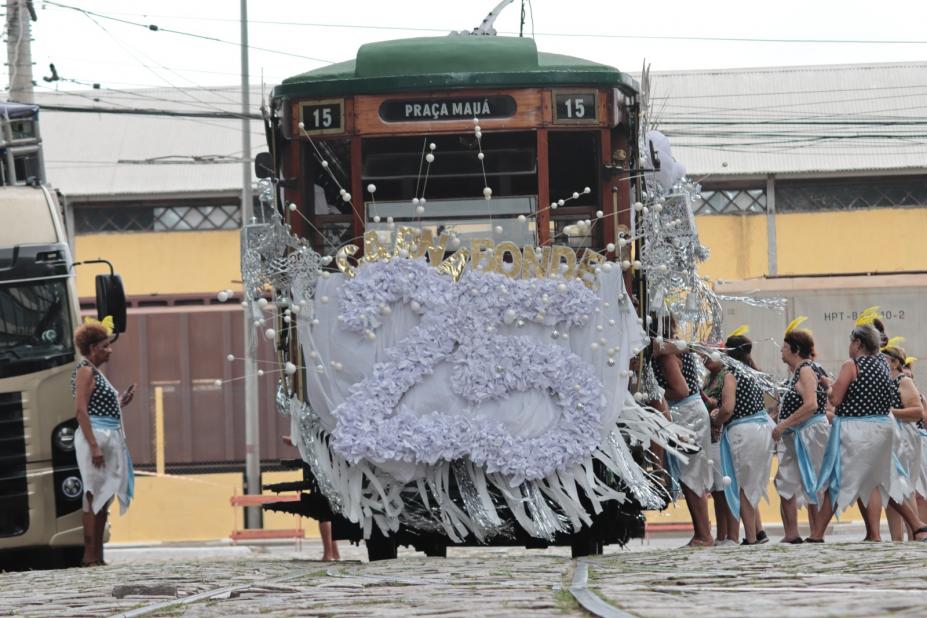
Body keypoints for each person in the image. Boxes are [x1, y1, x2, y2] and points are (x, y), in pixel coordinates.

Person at [808, 320, 927, 543]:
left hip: (856, 431)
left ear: (858, 343)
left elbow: (835, 398)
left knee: (838, 480)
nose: (849, 346)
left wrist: (827, 386)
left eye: (851, 342)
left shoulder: (851, 365)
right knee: (883, 480)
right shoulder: (883, 364)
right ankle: (916, 525)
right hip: (882, 428)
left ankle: (816, 534)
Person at [71, 318, 136, 567]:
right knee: (92, 495)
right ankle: (90, 556)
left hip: (105, 435)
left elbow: (97, 406)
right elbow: (81, 412)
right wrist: (94, 446)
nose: (109, 350)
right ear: (93, 348)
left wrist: (119, 402)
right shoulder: (85, 371)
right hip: (95, 437)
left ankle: (98, 556)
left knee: (103, 496)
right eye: (105, 345)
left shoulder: (94, 372)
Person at [650, 316, 714, 547]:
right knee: (691, 474)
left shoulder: (666, 353)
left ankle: (704, 534)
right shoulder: (675, 346)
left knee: (691, 475)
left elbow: (681, 389)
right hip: (690, 412)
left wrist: (652, 395)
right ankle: (702, 532)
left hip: (686, 414)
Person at [711, 327, 775, 545]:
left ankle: (749, 538)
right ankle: (757, 533)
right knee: (753, 483)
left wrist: (715, 419)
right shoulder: (754, 373)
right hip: (762, 430)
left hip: (743, 432)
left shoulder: (732, 375)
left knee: (744, 486)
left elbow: (728, 409)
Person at [772, 318, 830, 544]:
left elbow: (811, 404)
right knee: (785, 480)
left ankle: (817, 532)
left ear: (795, 350)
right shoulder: (800, 371)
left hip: (810, 433)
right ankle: (792, 533)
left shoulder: (806, 369)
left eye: (785, 347)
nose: (781, 351)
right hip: (797, 436)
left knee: (813, 480)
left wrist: (783, 424)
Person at [882, 344, 926, 541]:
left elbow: (917, 412)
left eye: (884, 359)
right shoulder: (882, 381)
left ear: (894, 362)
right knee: (891, 486)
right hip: (888, 436)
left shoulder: (904, 381)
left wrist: (891, 411)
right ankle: (896, 538)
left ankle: (914, 533)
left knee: (906, 484)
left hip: (905, 438)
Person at [282, 435, 341, 561]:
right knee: (329, 510)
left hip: (320, 466)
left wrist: (295, 440)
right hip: (330, 465)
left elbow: (311, 437)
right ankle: (334, 552)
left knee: (323, 512)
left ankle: (328, 553)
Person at [701, 350, 735, 545]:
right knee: (715, 489)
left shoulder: (725, 376)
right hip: (710, 436)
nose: (704, 358)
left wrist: (706, 400)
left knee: (723, 486)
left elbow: (723, 404)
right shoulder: (709, 378)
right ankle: (721, 534)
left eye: (708, 354)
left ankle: (730, 534)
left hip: (720, 434)